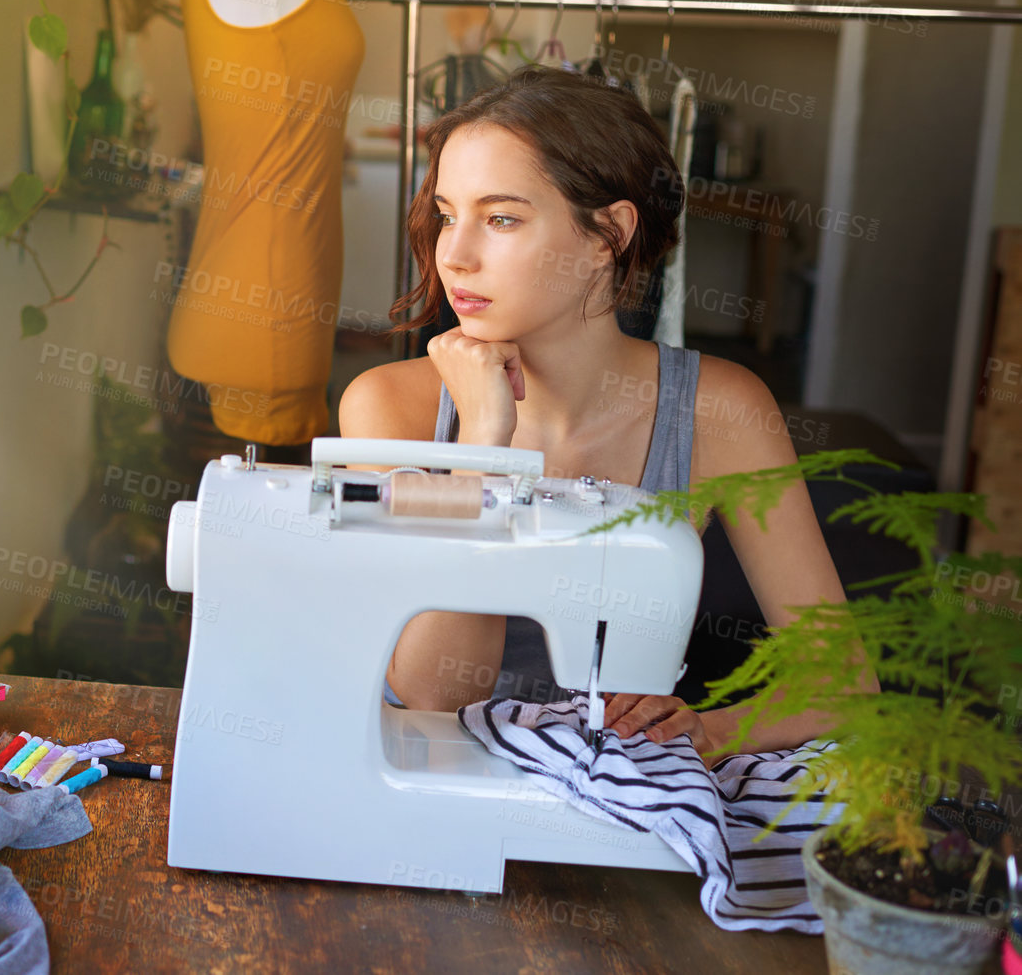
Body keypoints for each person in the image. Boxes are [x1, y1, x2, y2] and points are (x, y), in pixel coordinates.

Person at [338, 65, 866, 761]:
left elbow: (841, 683)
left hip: (611, 806)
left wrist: (710, 729)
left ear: (607, 235)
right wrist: (485, 448)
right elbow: (436, 694)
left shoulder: (720, 411)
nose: (454, 255)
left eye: (500, 218)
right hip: (422, 785)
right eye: (445, 214)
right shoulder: (388, 406)